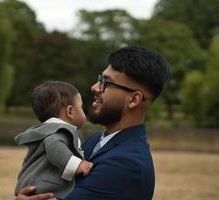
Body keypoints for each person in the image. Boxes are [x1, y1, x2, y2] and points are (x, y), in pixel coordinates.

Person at [15, 45, 170, 200]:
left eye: (107, 83)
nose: (95, 87)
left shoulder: (127, 165)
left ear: (134, 99)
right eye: (100, 79)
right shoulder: (96, 141)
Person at [14, 81, 93, 199]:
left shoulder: (46, 130)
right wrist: (78, 165)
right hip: (43, 186)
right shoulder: (59, 130)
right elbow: (54, 145)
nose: (83, 111)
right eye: (81, 107)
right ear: (70, 111)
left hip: (31, 184)